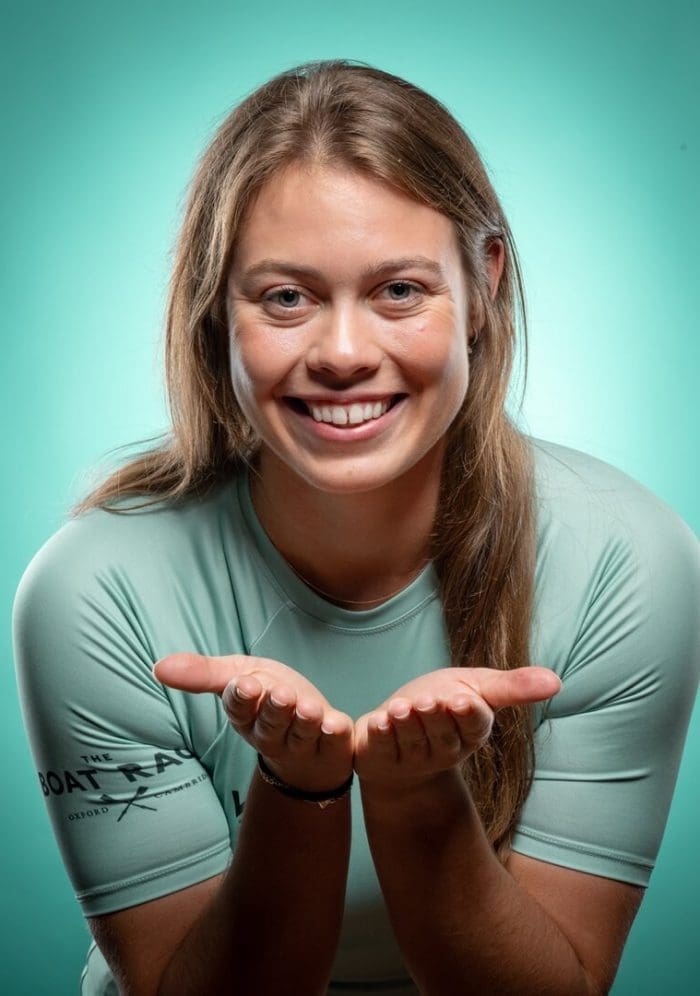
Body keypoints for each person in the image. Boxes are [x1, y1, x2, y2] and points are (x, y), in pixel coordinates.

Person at [12, 58, 700, 996]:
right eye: (286, 297)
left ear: (484, 284)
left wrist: (417, 792)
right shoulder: (94, 590)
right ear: (218, 308)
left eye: (400, 290)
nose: (342, 354)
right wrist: (299, 789)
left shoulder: (632, 561)